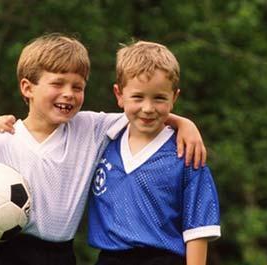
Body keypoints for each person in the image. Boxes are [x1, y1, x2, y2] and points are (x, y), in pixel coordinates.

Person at [0, 33, 207, 265]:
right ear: (27, 88)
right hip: (12, 253)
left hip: (64, 254)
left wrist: (184, 123)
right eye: (57, 83)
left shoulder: (90, 128)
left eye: (78, 86)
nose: (69, 94)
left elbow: (142, 111)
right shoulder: (2, 141)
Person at [87, 41, 221, 265]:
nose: (148, 108)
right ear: (119, 94)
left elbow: (198, 230)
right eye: (138, 97)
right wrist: (5, 124)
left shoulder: (186, 153)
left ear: (174, 98)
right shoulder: (102, 140)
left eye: (159, 98)